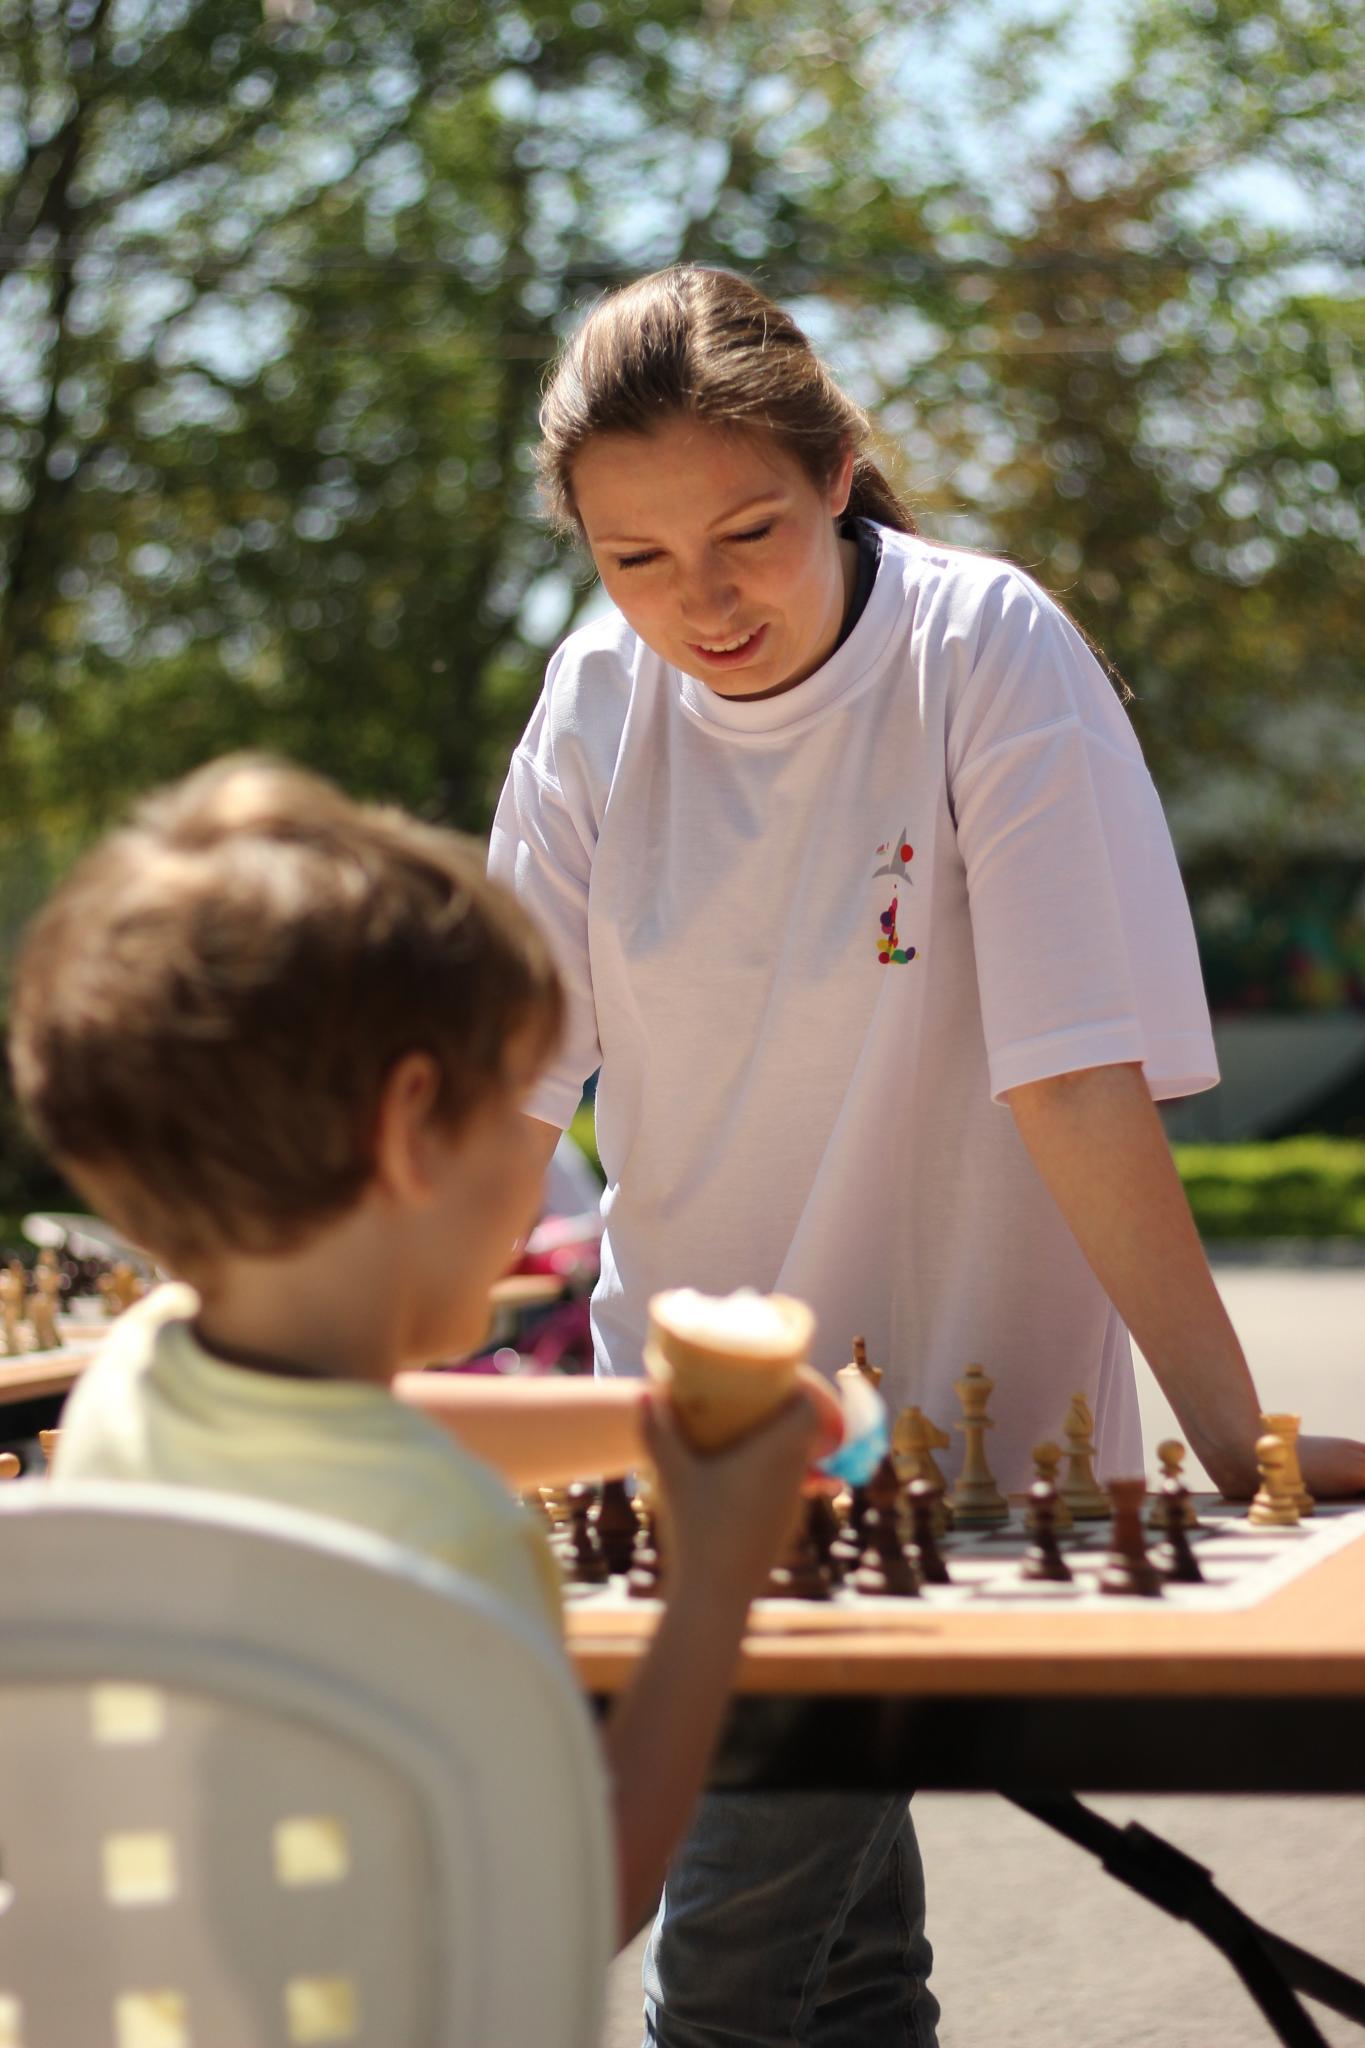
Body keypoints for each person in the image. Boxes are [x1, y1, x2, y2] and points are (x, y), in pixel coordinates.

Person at [488, 264, 1365, 2047]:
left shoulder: (981, 647)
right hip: (699, 1444)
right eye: (635, 557)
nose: (699, 601)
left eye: (746, 533)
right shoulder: (591, 697)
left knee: (728, 1987)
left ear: (835, 473)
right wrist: (343, 1389)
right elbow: (503, 1096)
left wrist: (1229, 1435)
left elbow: (1074, 1077)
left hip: (946, 1430)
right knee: (838, 1977)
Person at [7, 753, 842, 1941]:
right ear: (410, 1129)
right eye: (519, 1106)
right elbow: (570, 1911)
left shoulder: (137, 1374)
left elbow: (363, 1427)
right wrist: (711, 1582)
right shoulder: (452, 1537)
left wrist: (645, 1422)